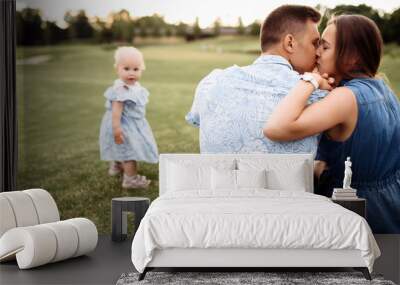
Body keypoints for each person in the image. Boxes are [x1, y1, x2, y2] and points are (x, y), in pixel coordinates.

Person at [264, 15, 400, 233]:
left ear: (353, 57)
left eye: (324, 47)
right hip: (390, 204)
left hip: (357, 213)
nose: (317, 52)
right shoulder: (382, 88)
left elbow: (276, 128)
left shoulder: (346, 98)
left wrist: (310, 80)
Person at [186, 5, 328, 154]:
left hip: (218, 177)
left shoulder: (211, 83)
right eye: (314, 43)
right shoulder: (318, 96)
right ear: (290, 43)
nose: (318, 52)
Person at [99, 47, 158, 189]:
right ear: (117, 69)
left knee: (122, 147)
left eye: (136, 69)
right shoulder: (121, 89)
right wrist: (117, 129)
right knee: (129, 149)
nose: (131, 73)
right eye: (126, 68)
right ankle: (130, 179)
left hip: (133, 123)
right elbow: (116, 111)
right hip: (122, 124)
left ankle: (117, 165)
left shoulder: (135, 86)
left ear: (142, 69)